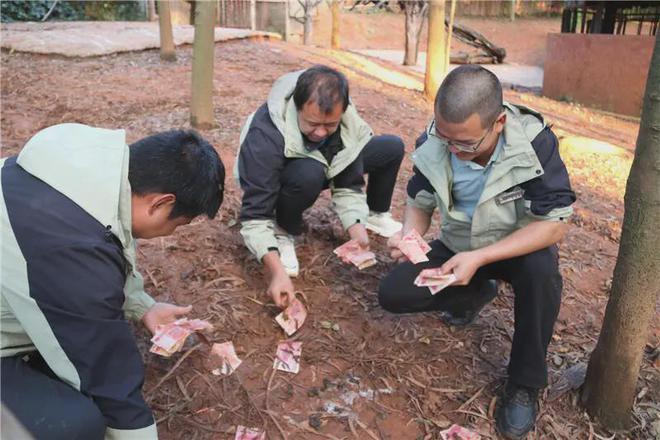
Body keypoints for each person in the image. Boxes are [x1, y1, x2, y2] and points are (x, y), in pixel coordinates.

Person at [378, 65, 576, 440]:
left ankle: (524, 382)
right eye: (446, 138)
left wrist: (483, 258)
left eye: (466, 144)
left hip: (517, 247)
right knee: (394, 293)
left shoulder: (534, 142)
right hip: (459, 247)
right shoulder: (434, 139)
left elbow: (556, 222)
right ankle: (475, 293)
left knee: (542, 272)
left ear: (498, 122)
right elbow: (419, 200)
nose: (454, 150)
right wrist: (410, 235)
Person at [0, 124, 225, 440]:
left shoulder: (82, 170)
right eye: (179, 223)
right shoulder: (70, 253)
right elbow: (110, 383)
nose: (172, 233)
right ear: (160, 203)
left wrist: (144, 306)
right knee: (79, 424)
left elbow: (111, 236)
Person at [236, 65, 405, 309]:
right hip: (277, 177)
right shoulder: (265, 135)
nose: (321, 132)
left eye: (330, 125)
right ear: (297, 107)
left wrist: (355, 227)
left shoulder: (346, 123)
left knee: (390, 147)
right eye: (313, 123)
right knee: (308, 173)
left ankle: (374, 217)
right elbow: (254, 216)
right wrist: (276, 270)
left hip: (317, 166)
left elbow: (348, 183)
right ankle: (283, 230)